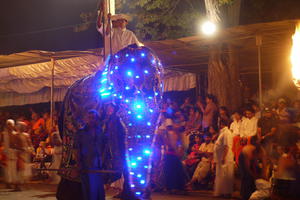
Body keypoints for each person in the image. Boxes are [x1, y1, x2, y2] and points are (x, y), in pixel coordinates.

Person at [75, 110, 106, 200]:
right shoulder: (81, 132)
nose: (92, 120)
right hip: (86, 164)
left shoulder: (100, 131)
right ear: (86, 119)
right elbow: (76, 148)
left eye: (94, 118)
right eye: (90, 118)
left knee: (98, 187)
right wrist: (78, 163)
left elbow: (104, 147)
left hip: (98, 164)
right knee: (89, 189)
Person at [161, 118, 186, 194]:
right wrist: (177, 151)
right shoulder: (170, 134)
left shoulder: (175, 134)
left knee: (173, 170)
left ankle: (173, 187)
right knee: (173, 170)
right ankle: (173, 187)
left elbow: (181, 144)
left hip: (172, 154)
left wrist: (179, 151)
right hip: (171, 154)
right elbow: (172, 144)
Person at [213, 120, 234, 197]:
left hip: (225, 157)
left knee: (225, 175)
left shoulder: (226, 133)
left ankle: (226, 192)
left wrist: (223, 157)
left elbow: (226, 146)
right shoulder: (222, 132)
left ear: (221, 124)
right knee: (221, 175)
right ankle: (221, 192)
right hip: (220, 157)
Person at [0, 119, 21, 191]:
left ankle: (15, 184)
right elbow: (2, 143)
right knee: (7, 169)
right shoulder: (3, 134)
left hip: (13, 152)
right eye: (8, 124)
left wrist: (18, 149)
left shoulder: (15, 134)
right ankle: (8, 182)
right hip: (6, 152)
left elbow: (16, 144)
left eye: (11, 124)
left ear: (13, 125)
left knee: (14, 169)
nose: (9, 126)